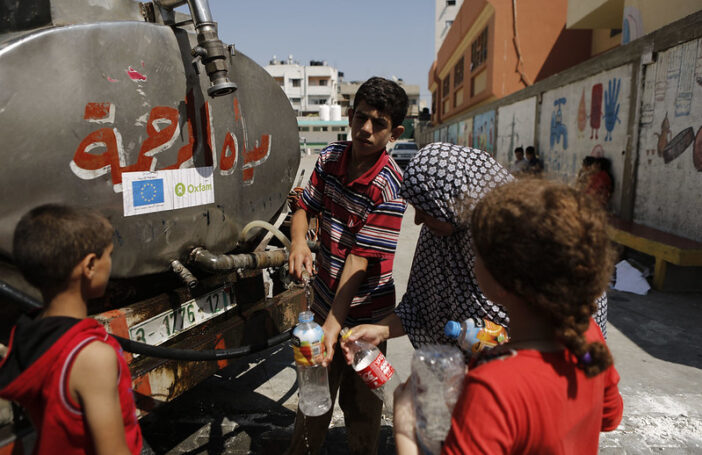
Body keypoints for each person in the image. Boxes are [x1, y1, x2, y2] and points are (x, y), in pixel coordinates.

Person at [393, 178, 623, 454]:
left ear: (503, 281)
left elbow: (513, 392)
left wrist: (404, 427)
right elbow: (609, 417)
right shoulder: (589, 340)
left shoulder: (492, 389)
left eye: (478, 253)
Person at [286, 76, 409, 454]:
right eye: (360, 117)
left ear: (395, 132)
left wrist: (332, 327)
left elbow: (359, 260)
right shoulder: (330, 157)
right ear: (350, 116)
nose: (366, 129)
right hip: (325, 306)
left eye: (379, 123)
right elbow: (305, 205)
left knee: (363, 414)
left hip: (366, 322)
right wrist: (297, 242)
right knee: (312, 406)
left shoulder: (390, 187)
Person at [341, 142, 512, 355]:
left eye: (424, 209)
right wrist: (380, 331)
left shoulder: (505, 239)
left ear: (452, 202)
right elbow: (418, 307)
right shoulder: (439, 231)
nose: (417, 220)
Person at [0, 205, 142, 455]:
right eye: (108, 254)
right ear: (89, 266)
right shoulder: (92, 357)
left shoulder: (29, 333)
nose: (111, 262)